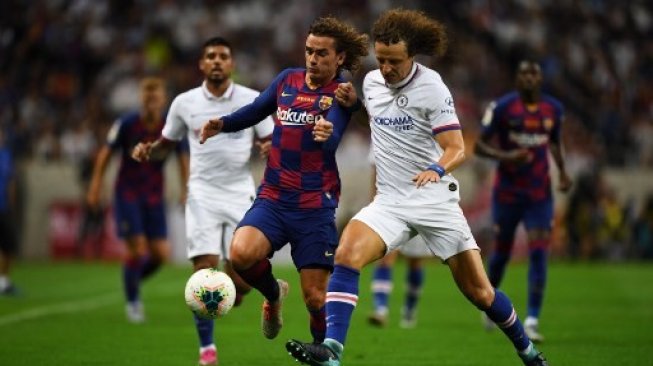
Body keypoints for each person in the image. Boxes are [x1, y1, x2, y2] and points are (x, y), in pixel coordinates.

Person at [286, 9, 548, 366]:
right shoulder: (373, 82)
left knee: (480, 292)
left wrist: (434, 169)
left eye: (394, 61)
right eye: (381, 60)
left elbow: (456, 148)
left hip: (434, 201)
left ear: (412, 56)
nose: (387, 68)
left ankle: (528, 352)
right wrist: (356, 107)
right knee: (346, 252)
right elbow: (378, 120)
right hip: (391, 202)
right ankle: (332, 350)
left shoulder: (432, 87)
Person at [198, 17, 368, 351]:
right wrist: (223, 123)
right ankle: (273, 294)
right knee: (240, 253)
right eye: (309, 51)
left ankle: (322, 354)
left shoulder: (342, 93)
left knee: (316, 298)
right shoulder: (287, 80)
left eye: (321, 53)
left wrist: (327, 132)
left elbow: (332, 138)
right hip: (273, 198)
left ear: (340, 59)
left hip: (314, 205)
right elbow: (255, 111)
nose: (313, 59)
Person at [131, 37, 274, 366]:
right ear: (201, 64)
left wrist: (269, 149)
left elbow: (272, 140)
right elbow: (168, 143)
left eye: (223, 56)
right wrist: (149, 150)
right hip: (202, 194)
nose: (217, 61)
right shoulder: (185, 103)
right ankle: (207, 351)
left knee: (238, 288)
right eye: (210, 56)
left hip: (240, 193)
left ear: (232, 64)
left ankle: (263, 288)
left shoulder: (253, 100)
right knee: (203, 274)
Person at [474, 60, 572, 343]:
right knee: (502, 254)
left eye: (534, 74)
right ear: (517, 80)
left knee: (540, 250)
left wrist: (563, 173)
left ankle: (531, 319)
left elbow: (554, 141)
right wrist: (507, 157)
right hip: (507, 193)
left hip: (539, 193)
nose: (529, 79)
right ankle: (489, 300)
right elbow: (480, 145)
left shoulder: (554, 109)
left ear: (540, 79)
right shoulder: (503, 107)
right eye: (524, 74)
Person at [87, 77, 189, 322]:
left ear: (164, 99)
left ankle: (130, 278)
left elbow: (183, 158)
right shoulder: (126, 124)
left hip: (154, 195)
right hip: (128, 193)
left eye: (156, 96)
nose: (152, 100)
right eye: (147, 96)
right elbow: (105, 153)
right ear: (141, 99)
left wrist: (187, 188)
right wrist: (95, 185)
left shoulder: (172, 126)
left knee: (161, 254)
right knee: (138, 248)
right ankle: (133, 302)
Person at [366, 163, 429, 329]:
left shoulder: (428, 137)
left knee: (415, 261)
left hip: (421, 206)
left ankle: (409, 308)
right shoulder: (381, 136)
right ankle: (381, 310)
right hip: (390, 205)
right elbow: (376, 168)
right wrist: (374, 201)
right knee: (385, 257)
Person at [0, 128, 19, 296]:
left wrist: (12, 205)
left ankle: (4, 282)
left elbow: (11, 181)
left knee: (8, 246)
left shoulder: (6, 155)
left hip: (3, 207)